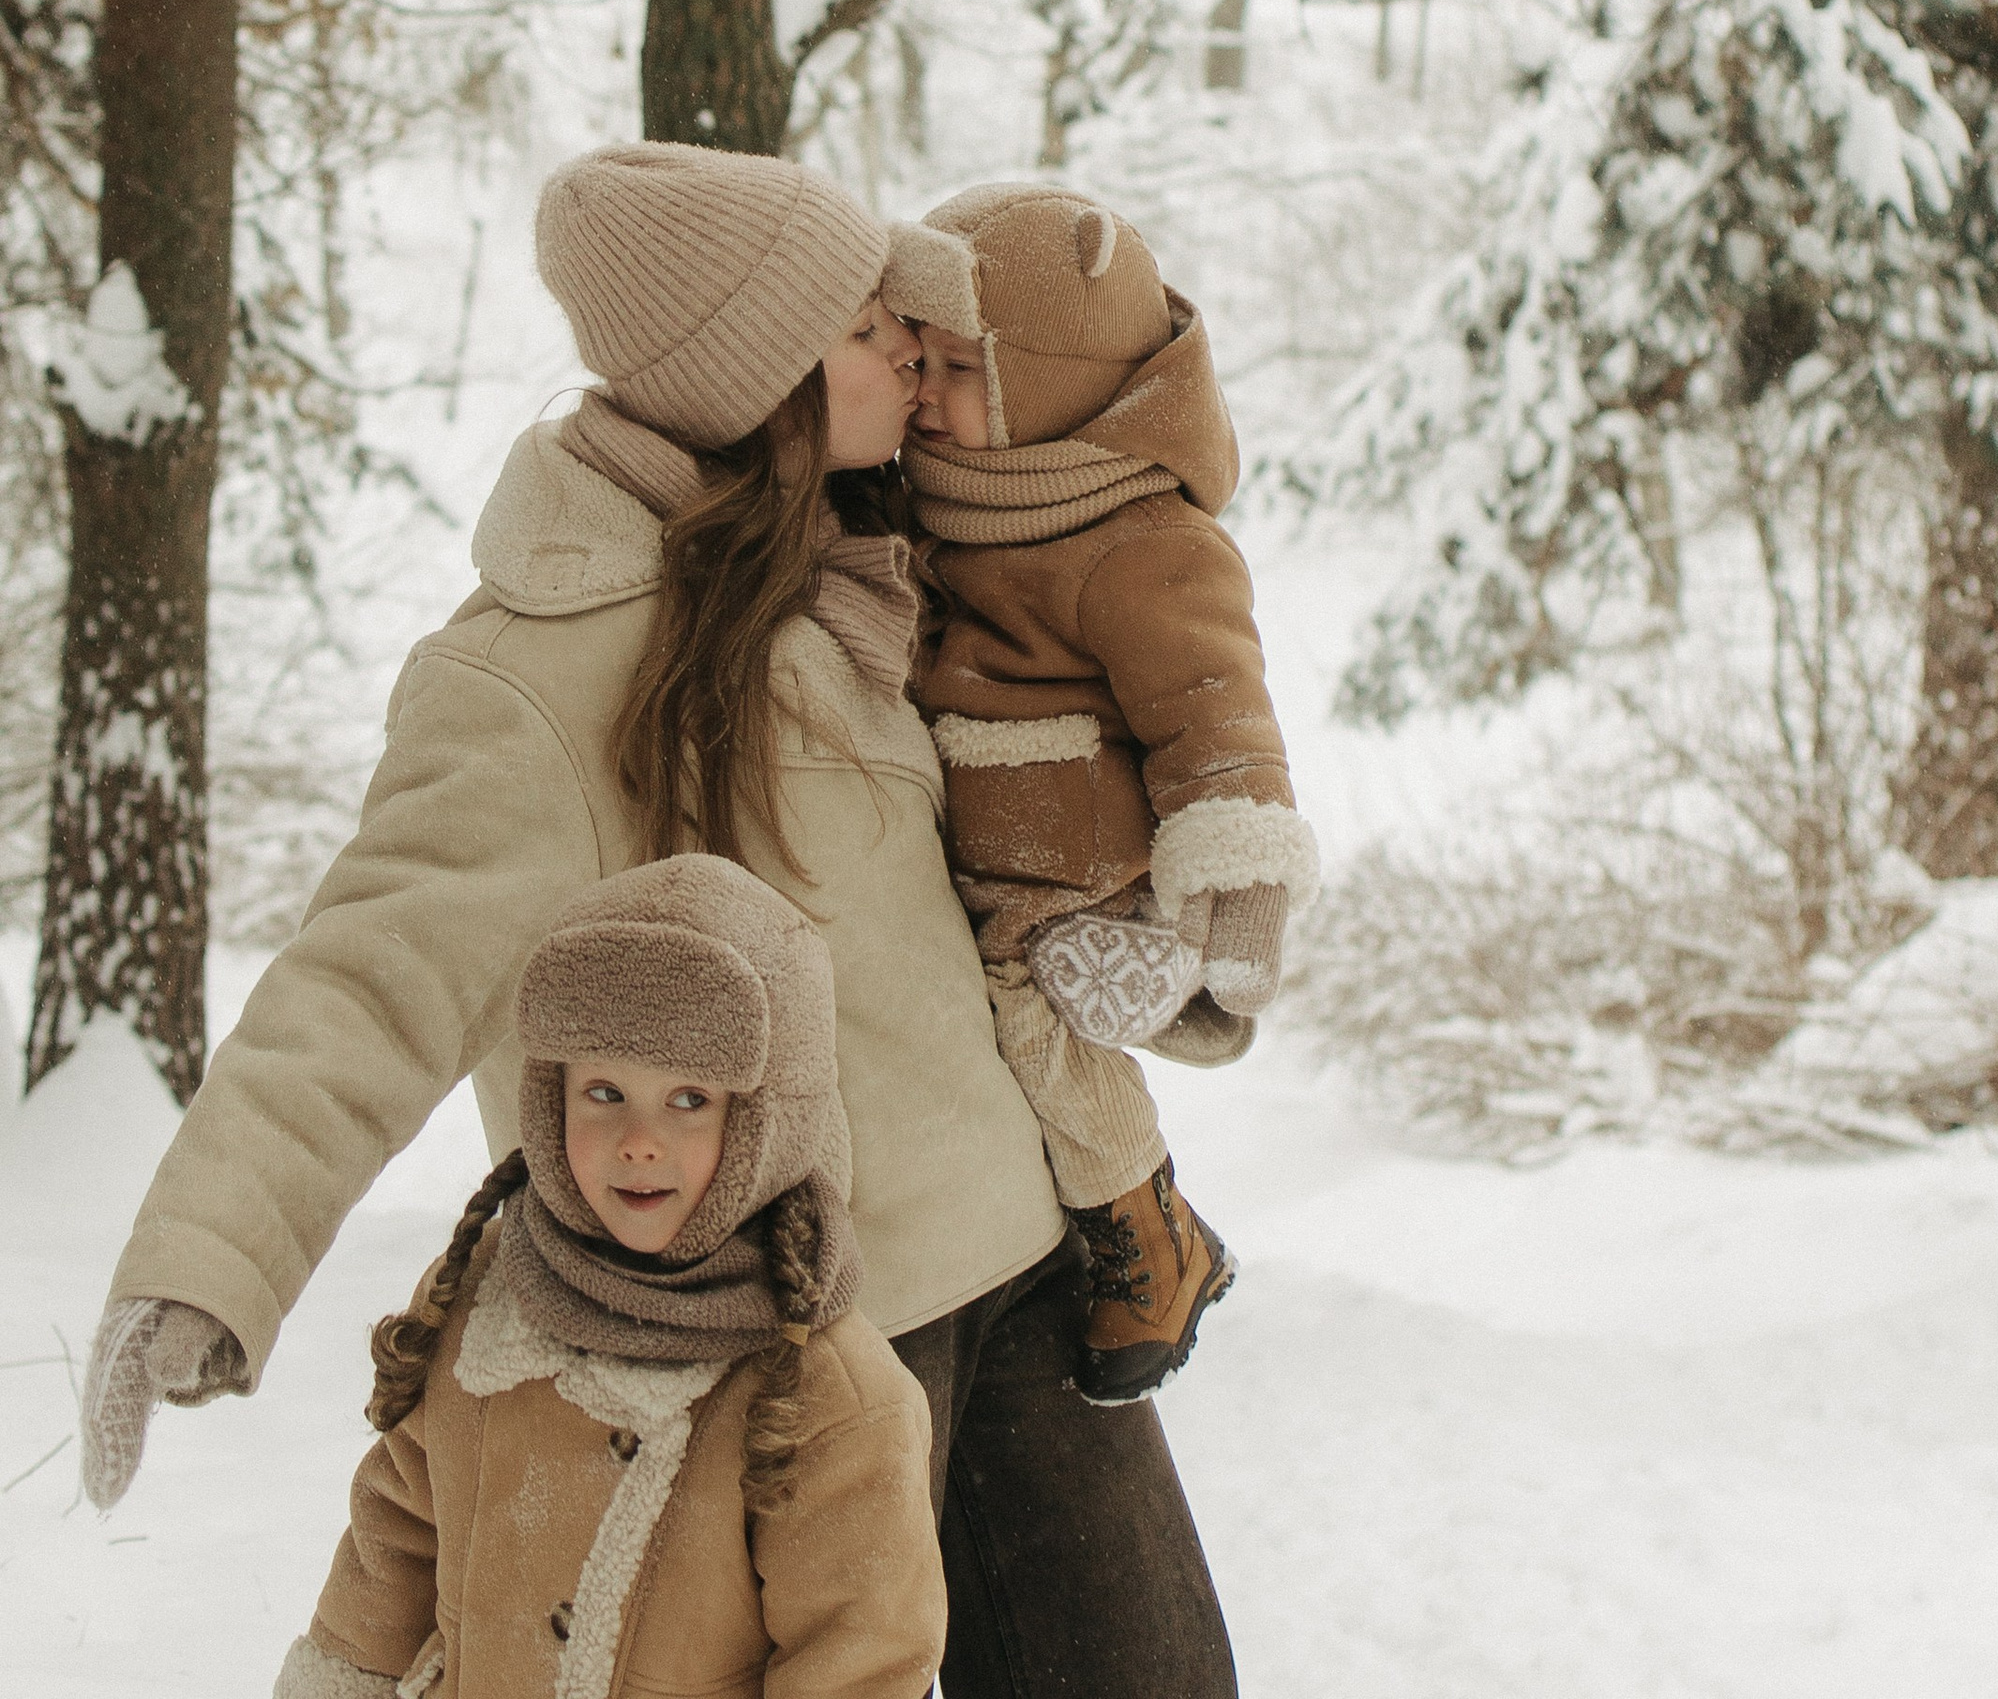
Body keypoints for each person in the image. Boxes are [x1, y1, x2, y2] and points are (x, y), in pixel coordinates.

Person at [82, 141, 1238, 1699]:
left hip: (1017, 1274)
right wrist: (209, 1260)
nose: (902, 344)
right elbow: (369, 973)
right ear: (758, 383)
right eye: (855, 329)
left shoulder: (861, 562)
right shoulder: (540, 670)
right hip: (800, 1340)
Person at [270, 854, 944, 1699]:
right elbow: (399, 1535)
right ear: (549, 1097)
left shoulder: (824, 1391)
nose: (638, 1139)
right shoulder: (487, 1299)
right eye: (602, 1091)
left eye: (689, 1099)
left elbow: (861, 1660)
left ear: (769, 1116)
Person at [901, 182, 1318, 1404]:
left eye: (959, 369)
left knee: (1022, 1014)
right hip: (983, 844)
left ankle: (1154, 1233)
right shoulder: (953, 498)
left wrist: (1237, 900)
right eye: (912, 360)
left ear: (1056, 381)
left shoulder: (1143, 537)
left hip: (1077, 865)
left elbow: (1219, 719)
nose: (924, 392)